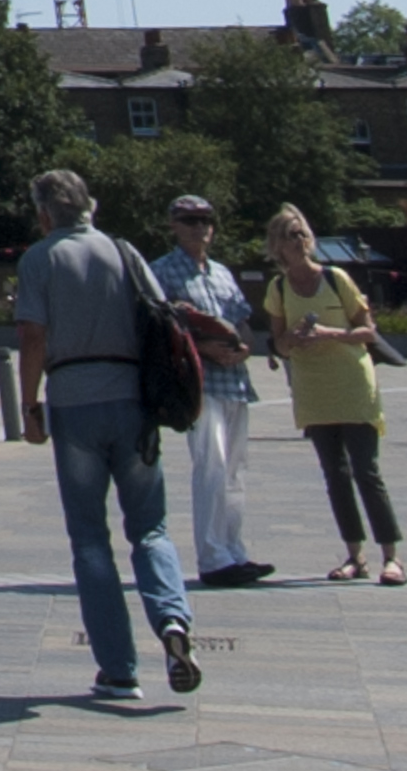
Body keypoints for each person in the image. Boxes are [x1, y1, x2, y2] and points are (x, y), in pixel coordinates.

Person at [15, 168, 206, 705]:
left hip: (74, 400)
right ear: (90, 208)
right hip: (132, 401)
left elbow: (32, 336)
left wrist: (29, 405)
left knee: (90, 539)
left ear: (45, 214)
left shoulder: (39, 258)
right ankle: (172, 621)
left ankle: (119, 667)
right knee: (150, 528)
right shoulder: (124, 252)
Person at [258, 205, 405, 586]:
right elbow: (278, 344)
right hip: (313, 388)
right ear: (278, 245)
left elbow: (368, 331)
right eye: (291, 234)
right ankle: (355, 555)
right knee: (334, 474)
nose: (300, 239)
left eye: (303, 232)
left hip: (352, 383)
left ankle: (392, 556)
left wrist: (329, 334)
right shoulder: (277, 289)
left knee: (366, 470)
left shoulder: (337, 278)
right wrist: (289, 341)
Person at [153, 194, 272, 587]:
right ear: (173, 225)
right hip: (198, 382)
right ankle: (213, 558)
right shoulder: (162, 272)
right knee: (211, 465)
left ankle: (234, 550)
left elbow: (242, 320)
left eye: (205, 220)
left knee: (236, 469)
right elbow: (158, 328)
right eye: (189, 220)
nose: (199, 227)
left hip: (235, 382)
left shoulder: (221, 272)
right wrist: (203, 348)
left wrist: (244, 348)